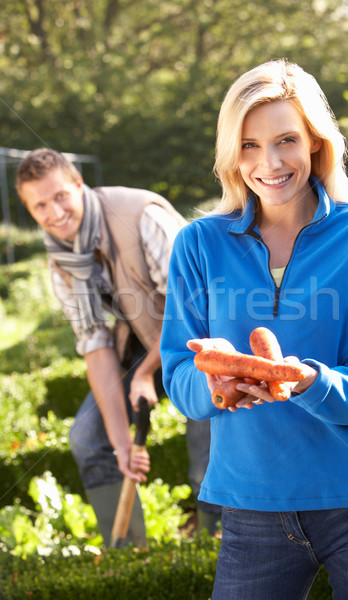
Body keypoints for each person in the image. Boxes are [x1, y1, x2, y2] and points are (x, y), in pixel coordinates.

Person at [160, 59, 348, 599]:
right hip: (251, 505)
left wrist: (308, 381)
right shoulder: (199, 244)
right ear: (231, 153)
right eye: (248, 144)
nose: (268, 162)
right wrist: (215, 385)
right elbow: (179, 372)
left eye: (286, 139)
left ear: (315, 142)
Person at [15, 148, 219, 546]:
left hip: (205, 343)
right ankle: (127, 551)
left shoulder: (141, 216)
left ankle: (217, 542)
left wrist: (145, 374)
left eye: (59, 196)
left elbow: (194, 313)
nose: (54, 213)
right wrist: (122, 443)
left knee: (206, 457)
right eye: (40, 205)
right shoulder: (62, 258)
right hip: (145, 342)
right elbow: (95, 346)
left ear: (78, 184)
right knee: (89, 439)